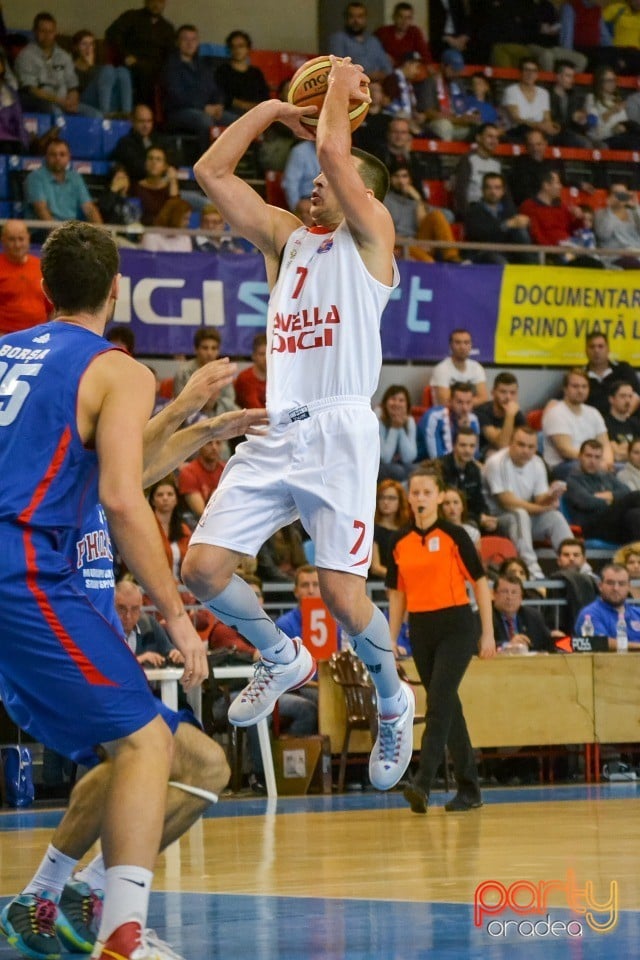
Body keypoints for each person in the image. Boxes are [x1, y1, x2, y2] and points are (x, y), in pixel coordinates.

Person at [182, 55, 416, 792]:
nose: (312, 187)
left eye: (324, 183)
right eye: (312, 182)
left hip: (341, 430)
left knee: (347, 601)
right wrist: (273, 111)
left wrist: (340, 94)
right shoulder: (286, 242)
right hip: (279, 426)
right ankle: (281, 655)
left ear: (362, 196)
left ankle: (391, 697)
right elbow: (211, 175)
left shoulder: (373, 237)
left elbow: (337, 154)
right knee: (202, 570)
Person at [0, 354, 267, 960]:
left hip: (70, 636)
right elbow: (129, 478)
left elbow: (139, 462)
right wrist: (176, 615)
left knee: (187, 766)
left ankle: (63, 893)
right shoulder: (59, 487)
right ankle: (96, 912)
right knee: (155, 756)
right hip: (51, 633)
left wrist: (200, 427)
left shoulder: (89, 470)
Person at [0, 221, 211, 960]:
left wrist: (186, 416)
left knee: (177, 757)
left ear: (45, 288)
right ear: (116, 290)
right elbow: (124, 498)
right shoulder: (116, 369)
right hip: (23, 568)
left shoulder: (4, 355)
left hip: (22, 569)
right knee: (145, 740)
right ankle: (120, 933)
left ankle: (63, 897)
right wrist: (180, 621)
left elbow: (90, 471)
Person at [386, 464, 495, 815]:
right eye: (415, 492)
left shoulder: (454, 535)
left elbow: (479, 582)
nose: (420, 498)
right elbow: (396, 597)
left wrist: (488, 633)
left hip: (457, 626)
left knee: (440, 702)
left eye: (427, 492)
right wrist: (391, 638)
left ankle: (423, 781)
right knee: (449, 707)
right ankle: (470, 789)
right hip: (421, 629)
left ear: (439, 497)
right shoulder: (398, 542)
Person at [484, 425, 573, 579]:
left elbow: (540, 500)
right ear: (511, 444)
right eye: (521, 445)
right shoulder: (497, 462)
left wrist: (551, 497)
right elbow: (508, 502)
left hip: (525, 520)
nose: (526, 450)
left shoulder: (537, 463)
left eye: (531, 447)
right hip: (497, 520)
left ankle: (577, 563)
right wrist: (542, 508)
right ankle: (531, 568)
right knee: (520, 514)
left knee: (554, 517)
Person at [15, 12, 92, 118]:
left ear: (55, 32)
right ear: (35, 31)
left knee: (96, 115)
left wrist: (72, 100)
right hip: (42, 104)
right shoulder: (26, 56)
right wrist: (59, 101)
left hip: (65, 102)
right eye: (43, 31)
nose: (47, 35)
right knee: (57, 114)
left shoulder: (64, 56)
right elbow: (31, 89)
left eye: (50, 31)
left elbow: (73, 85)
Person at [162, 24, 224, 154]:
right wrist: (204, 108)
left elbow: (214, 89)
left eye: (193, 39)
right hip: (179, 113)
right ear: (177, 42)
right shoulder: (170, 66)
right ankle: (206, 166)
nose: (190, 43)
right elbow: (176, 96)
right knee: (205, 121)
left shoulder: (203, 65)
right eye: (185, 39)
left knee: (238, 121)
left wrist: (218, 105)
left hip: (206, 110)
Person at [565, 438, 640, 543]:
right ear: (580, 457)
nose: (592, 461)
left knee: (635, 515)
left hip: (612, 524)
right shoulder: (572, 480)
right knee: (636, 496)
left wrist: (609, 496)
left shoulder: (605, 476)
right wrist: (612, 501)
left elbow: (626, 491)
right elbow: (587, 502)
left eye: (597, 457)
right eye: (588, 456)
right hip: (591, 527)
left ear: (601, 459)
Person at [542, 368, 613, 478]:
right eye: (575, 386)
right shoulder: (556, 413)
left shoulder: (593, 412)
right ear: (565, 389)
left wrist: (607, 462)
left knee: (622, 470)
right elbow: (565, 450)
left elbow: (605, 444)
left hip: (591, 461)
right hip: (563, 465)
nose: (580, 390)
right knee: (589, 471)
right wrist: (595, 461)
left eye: (584, 387)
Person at [384, 163, 460, 263]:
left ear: (410, 180)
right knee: (428, 262)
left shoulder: (416, 201)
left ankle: (452, 259)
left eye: (404, 176)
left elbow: (449, 216)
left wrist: (418, 200)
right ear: (390, 179)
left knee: (436, 215)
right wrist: (414, 243)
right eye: (396, 176)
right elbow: (385, 232)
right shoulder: (385, 200)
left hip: (421, 242)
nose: (401, 181)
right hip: (400, 244)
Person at [106, 0, 175, 106]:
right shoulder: (131, 17)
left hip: (154, 67)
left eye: (160, 1)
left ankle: (145, 114)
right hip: (131, 63)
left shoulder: (168, 28)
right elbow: (112, 34)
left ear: (165, 3)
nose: (156, 5)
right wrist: (126, 55)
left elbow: (170, 53)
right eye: (153, 1)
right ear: (146, 2)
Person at [24, 139, 103, 224]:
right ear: (46, 157)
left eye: (62, 154)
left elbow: (89, 209)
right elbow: (41, 211)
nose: (58, 158)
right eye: (53, 154)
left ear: (69, 157)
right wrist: (61, 235)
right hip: (43, 231)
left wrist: (101, 234)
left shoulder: (75, 177)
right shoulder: (35, 178)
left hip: (69, 231)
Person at [464, 173, 534, 265]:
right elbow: (481, 234)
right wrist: (506, 225)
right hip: (483, 253)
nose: (493, 192)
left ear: (503, 191)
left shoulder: (510, 209)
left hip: (508, 252)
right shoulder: (473, 210)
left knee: (521, 231)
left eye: (497, 188)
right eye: (489, 188)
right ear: (482, 190)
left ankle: (533, 271)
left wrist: (525, 223)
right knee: (500, 261)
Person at [438, 426, 498, 534]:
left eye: (472, 446)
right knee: (473, 527)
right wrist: (478, 518)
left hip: (470, 517)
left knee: (497, 527)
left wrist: (486, 516)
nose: (467, 450)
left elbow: (478, 500)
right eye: (463, 445)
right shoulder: (441, 468)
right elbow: (444, 506)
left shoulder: (474, 469)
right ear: (454, 446)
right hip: (448, 518)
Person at [116, 578, 184, 667]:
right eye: (122, 608)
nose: (128, 616)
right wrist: (140, 660)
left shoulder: (150, 624)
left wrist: (175, 655)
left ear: (140, 608)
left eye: (134, 609)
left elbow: (168, 650)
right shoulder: (103, 629)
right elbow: (105, 667)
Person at [574, 562, 640, 650]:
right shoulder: (590, 614)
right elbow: (600, 642)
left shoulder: (637, 612)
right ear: (600, 586)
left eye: (621, 584)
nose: (616, 588)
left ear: (629, 587)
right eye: (610, 583)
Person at [0, 220, 50, 335]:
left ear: (28, 238)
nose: (17, 245)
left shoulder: (41, 267)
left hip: (38, 335)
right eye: (12, 239)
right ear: (3, 240)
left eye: (21, 239)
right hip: (4, 336)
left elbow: (51, 308)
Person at [519, 168, 588, 250]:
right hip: (550, 253)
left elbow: (575, 231)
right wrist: (555, 249)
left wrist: (578, 218)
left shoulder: (562, 207)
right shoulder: (529, 207)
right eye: (558, 183)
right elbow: (536, 236)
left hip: (570, 248)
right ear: (546, 185)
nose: (561, 186)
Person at [71, 29, 133, 118]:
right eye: (84, 44)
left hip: (103, 102)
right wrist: (90, 67)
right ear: (76, 47)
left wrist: (92, 67)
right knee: (108, 69)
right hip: (84, 102)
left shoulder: (99, 68)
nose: (88, 48)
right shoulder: (71, 67)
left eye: (91, 44)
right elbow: (77, 91)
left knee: (122, 71)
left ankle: (127, 115)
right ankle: (105, 114)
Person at [416, 381, 481, 461]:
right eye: (459, 402)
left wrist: (465, 430)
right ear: (450, 401)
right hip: (424, 463)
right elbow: (437, 459)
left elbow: (475, 455)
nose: (465, 408)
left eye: (468, 403)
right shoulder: (435, 418)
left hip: (457, 465)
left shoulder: (473, 420)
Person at [328, 2, 392, 82]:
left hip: (380, 84)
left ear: (365, 18)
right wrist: (368, 77)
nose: (356, 21)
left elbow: (388, 69)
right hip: (354, 85)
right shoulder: (338, 39)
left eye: (360, 16)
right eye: (352, 16)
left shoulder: (374, 41)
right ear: (346, 18)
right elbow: (339, 69)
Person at [174, 328, 236, 407]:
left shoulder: (223, 372)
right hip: (191, 416)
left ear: (218, 351)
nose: (209, 353)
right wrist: (202, 400)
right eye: (205, 348)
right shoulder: (183, 372)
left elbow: (230, 401)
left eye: (214, 348)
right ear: (196, 349)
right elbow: (179, 404)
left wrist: (214, 402)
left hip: (218, 415)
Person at [216, 30, 270, 120]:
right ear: (229, 49)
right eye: (233, 47)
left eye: (241, 46)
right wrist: (242, 105)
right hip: (232, 112)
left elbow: (265, 97)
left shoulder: (256, 73)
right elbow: (222, 96)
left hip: (257, 112)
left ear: (248, 48)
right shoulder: (222, 71)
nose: (237, 50)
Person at [583, 330, 640, 417]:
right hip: (590, 425)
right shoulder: (580, 375)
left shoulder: (623, 369)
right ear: (586, 350)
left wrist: (623, 418)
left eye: (600, 346)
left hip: (625, 422)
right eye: (592, 347)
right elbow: (561, 400)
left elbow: (637, 395)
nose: (596, 351)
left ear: (608, 349)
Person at [452, 122, 503, 219]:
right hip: (474, 208)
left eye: (496, 138)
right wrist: (466, 215)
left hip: (495, 208)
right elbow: (460, 191)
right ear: (478, 138)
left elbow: (505, 193)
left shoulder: (497, 164)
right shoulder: (468, 160)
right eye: (490, 137)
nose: (494, 141)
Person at [502, 57, 559, 143]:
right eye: (527, 70)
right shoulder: (511, 91)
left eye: (534, 71)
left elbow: (547, 119)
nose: (530, 74)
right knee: (529, 132)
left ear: (537, 74)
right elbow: (516, 119)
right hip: (517, 130)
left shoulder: (544, 93)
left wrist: (551, 127)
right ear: (520, 72)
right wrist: (538, 126)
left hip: (539, 131)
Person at [492, 574, 553, 651]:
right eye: (504, 592)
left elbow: (547, 643)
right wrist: (508, 645)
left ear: (521, 597)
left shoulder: (533, 616)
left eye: (514, 592)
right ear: (494, 594)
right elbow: (478, 645)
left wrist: (557, 638)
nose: (509, 597)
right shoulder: (484, 617)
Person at [430, 329, 488, 407]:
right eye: (458, 343)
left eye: (466, 343)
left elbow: (483, 398)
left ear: (471, 345)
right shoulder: (441, 369)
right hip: (447, 415)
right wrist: (468, 403)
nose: (462, 347)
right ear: (451, 345)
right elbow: (445, 403)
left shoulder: (476, 367)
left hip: (473, 414)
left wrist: (461, 404)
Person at [475, 371, 527, 459]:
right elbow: (502, 445)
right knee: (495, 454)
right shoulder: (481, 412)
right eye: (503, 392)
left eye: (512, 393)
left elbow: (524, 441)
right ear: (493, 393)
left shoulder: (517, 414)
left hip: (510, 450)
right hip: (485, 454)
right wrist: (509, 415)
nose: (508, 397)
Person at [148, 477, 192, 578]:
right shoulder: (145, 529)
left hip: (181, 587)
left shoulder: (184, 529)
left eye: (170, 494)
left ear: (176, 500)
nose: (165, 498)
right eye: (160, 495)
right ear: (152, 501)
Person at [370, 479, 411, 579]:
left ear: (400, 501)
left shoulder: (407, 530)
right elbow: (375, 568)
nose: (385, 502)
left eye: (391, 498)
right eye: (382, 497)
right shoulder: (373, 529)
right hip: (379, 586)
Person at [130, 146, 180, 227]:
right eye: (150, 158)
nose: (154, 162)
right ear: (145, 163)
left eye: (158, 159)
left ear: (165, 166)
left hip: (166, 232)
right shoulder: (135, 187)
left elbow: (176, 213)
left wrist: (173, 182)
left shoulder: (170, 188)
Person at [111, 104, 162, 183]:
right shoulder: (125, 143)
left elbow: (175, 159)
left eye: (149, 121)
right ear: (132, 121)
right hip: (135, 186)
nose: (146, 126)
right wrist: (161, 167)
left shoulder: (158, 139)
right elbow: (138, 169)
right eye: (142, 121)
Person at [377, 383, 418, 483]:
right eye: (393, 399)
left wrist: (400, 428)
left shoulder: (409, 420)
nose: (396, 403)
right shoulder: (377, 418)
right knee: (398, 471)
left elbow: (409, 457)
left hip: (399, 464)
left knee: (416, 470)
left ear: (407, 405)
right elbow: (385, 458)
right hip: (378, 466)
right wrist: (394, 428)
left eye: (401, 400)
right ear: (385, 402)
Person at [178, 439, 226, 520]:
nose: (214, 447)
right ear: (200, 445)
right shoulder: (188, 472)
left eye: (218, 443)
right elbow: (202, 513)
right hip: (195, 523)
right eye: (209, 443)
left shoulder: (226, 470)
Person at [594, 183, 640, 268]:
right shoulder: (601, 213)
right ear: (609, 196)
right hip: (615, 257)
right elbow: (603, 235)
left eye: (623, 193)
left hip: (637, 253)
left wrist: (636, 207)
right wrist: (610, 210)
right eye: (616, 193)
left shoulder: (633, 213)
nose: (620, 196)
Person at [550, 60, 591, 149]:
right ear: (558, 77)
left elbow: (583, 127)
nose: (572, 80)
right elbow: (553, 121)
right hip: (556, 135)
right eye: (568, 76)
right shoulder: (548, 96)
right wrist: (572, 118)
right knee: (585, 144)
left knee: (600, 145)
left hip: (572, 134)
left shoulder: (573, 97)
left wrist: (582, 121)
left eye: (573, 76)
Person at [375, 2, 431, 67]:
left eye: (408, 18)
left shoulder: (414, 32)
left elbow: (426, 56)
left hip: (409, 70)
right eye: (401, 17)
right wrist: (384, 56)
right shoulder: (383, 32)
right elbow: (372, 51)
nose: (404, 21)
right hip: (387, 70)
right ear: (394, 17)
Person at [507, 129, 552, 207]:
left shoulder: (550, 164)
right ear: (526, 147)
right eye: (531, 145)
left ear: (545, 144)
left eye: (538, 144)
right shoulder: (519, 163)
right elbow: (522, 193)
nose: (535, 149)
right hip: (527, 207)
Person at [605, 381, 640, 463]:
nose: (628, 400)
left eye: (630, 396)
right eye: (623, 396)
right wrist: (633, 451)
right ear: (611, 399)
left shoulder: (635, 423)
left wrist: (624, 447)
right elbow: (616, 455)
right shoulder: (604, 423)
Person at [282, 139, 321, 213]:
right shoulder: (299, 152)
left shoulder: (335, 150)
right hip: (307, 198)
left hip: (328, 199)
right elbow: (290, 183)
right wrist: (296, 208)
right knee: (307, 208)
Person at [234, 333, 267, 410]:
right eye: (262, 354)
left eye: (269, 354)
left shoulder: (278, 378)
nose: (266, 358)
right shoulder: (245, 378)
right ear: (253, 356)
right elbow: (254, 408)